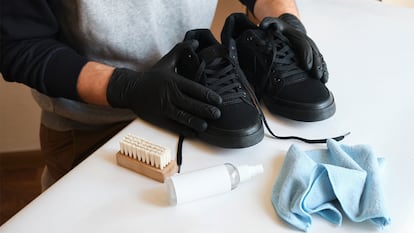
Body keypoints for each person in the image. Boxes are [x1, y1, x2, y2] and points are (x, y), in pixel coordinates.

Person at [0, 0, 321, 189]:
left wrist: (285, 19)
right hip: (93, 125)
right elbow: (20, 43)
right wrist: (127, 88)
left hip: (197, 89)